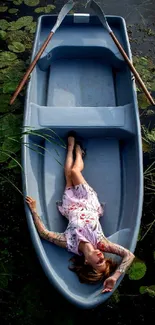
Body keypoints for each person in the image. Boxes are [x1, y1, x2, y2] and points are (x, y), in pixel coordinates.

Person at [26, 132, 135, 293]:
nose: (101, 256)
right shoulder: (101, 243)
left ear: (86, 262)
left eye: (98, 262)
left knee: (68, 175)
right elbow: (129, 256)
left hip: (70, 205)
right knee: (75, 172)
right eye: (103, 259)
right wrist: (114, 277)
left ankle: (70, 148)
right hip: (88, 200)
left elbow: (44, 233)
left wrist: (34, 210)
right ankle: (78, 152)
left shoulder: (69, 243)